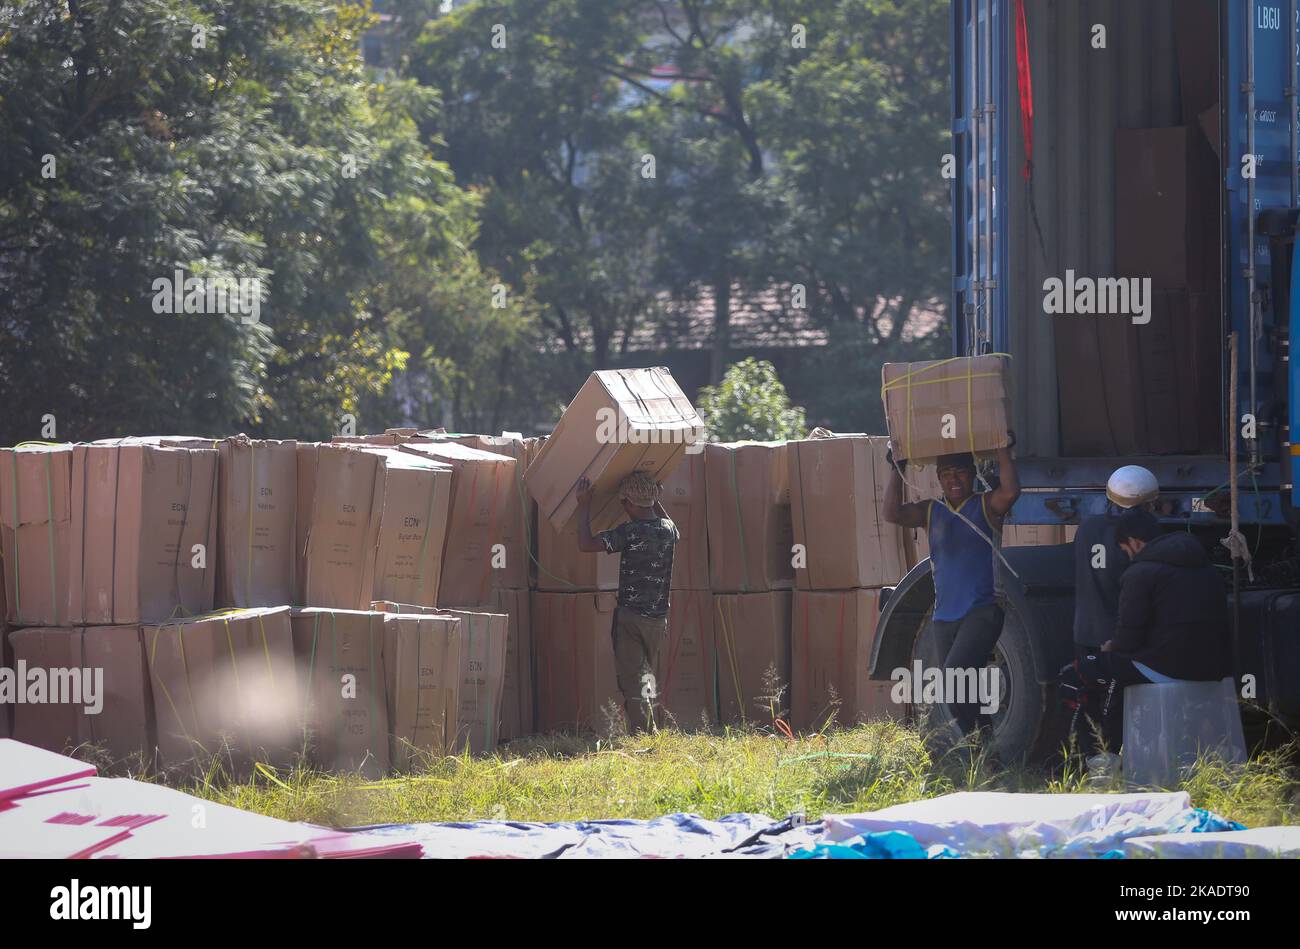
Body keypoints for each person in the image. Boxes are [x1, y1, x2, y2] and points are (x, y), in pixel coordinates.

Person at [883, 439, 1020, 740]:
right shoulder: (931, 511)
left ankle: (982, 747)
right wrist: (897, 467)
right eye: (945, 474)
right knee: (960, 689)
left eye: (959, 472)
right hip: (944, 617)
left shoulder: (986, 505)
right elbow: (892, 514)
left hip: (982, 610)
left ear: (972, 474)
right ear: (938, 479)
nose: (953, 480)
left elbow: (1010, 492)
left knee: (952, 680)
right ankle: (984, 749)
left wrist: (1000, 447)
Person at [1058, 465, 1159, 755]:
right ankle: (1122, 763)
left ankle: (1091, 764)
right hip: (1120, 640)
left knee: (1090, 703)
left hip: (1085, 633)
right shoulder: (1140, 538)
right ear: (1148, 504)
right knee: (1123, 710)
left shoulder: (1087, 527)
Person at [574, 471, 679, 733]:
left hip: (631, 619)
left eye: (624, 503)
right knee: (647, 677)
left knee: (633, 680)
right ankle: (650, 728)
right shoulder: (668, 531)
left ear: (630, 504)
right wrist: (653, 498)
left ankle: (645, 734)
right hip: (658, 620)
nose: (623, 507)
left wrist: (584, 505)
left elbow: (585, 544)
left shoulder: (629, 532)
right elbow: (670, 526)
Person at [1102, 508, 1233, 688]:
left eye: (1126, 551)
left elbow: (1129, 636)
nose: (1129, 557)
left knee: (1086, 670)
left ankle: (1113, 717)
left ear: (1134, 542)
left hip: (1166, 669)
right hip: (1213, 668)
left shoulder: (1138, 574)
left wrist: (1112, 647)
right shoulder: (1207, 568)